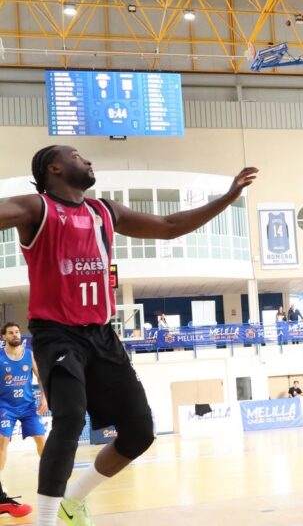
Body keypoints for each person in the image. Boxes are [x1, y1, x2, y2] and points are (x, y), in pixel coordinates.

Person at [0, 145, 258, 526]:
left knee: (139, 432)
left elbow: (169, 226)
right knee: (70, 417)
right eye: (76, 155)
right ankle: (47, 521)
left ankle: (74, 499)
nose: (87, 160)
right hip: (57, 333)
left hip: (102, 335)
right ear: (54, 168)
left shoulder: (105, 211)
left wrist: (227, 197)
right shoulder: (36, 208)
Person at [0, 322, 48, 517]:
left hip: (28, 406)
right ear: (3, 336)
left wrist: (44, 397)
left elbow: (41, 377)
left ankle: (51, 475)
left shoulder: (29, 354)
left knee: (41, 439)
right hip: (5, 407)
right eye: (11, 333)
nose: (15, 335)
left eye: (17, 332)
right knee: (2, 441)